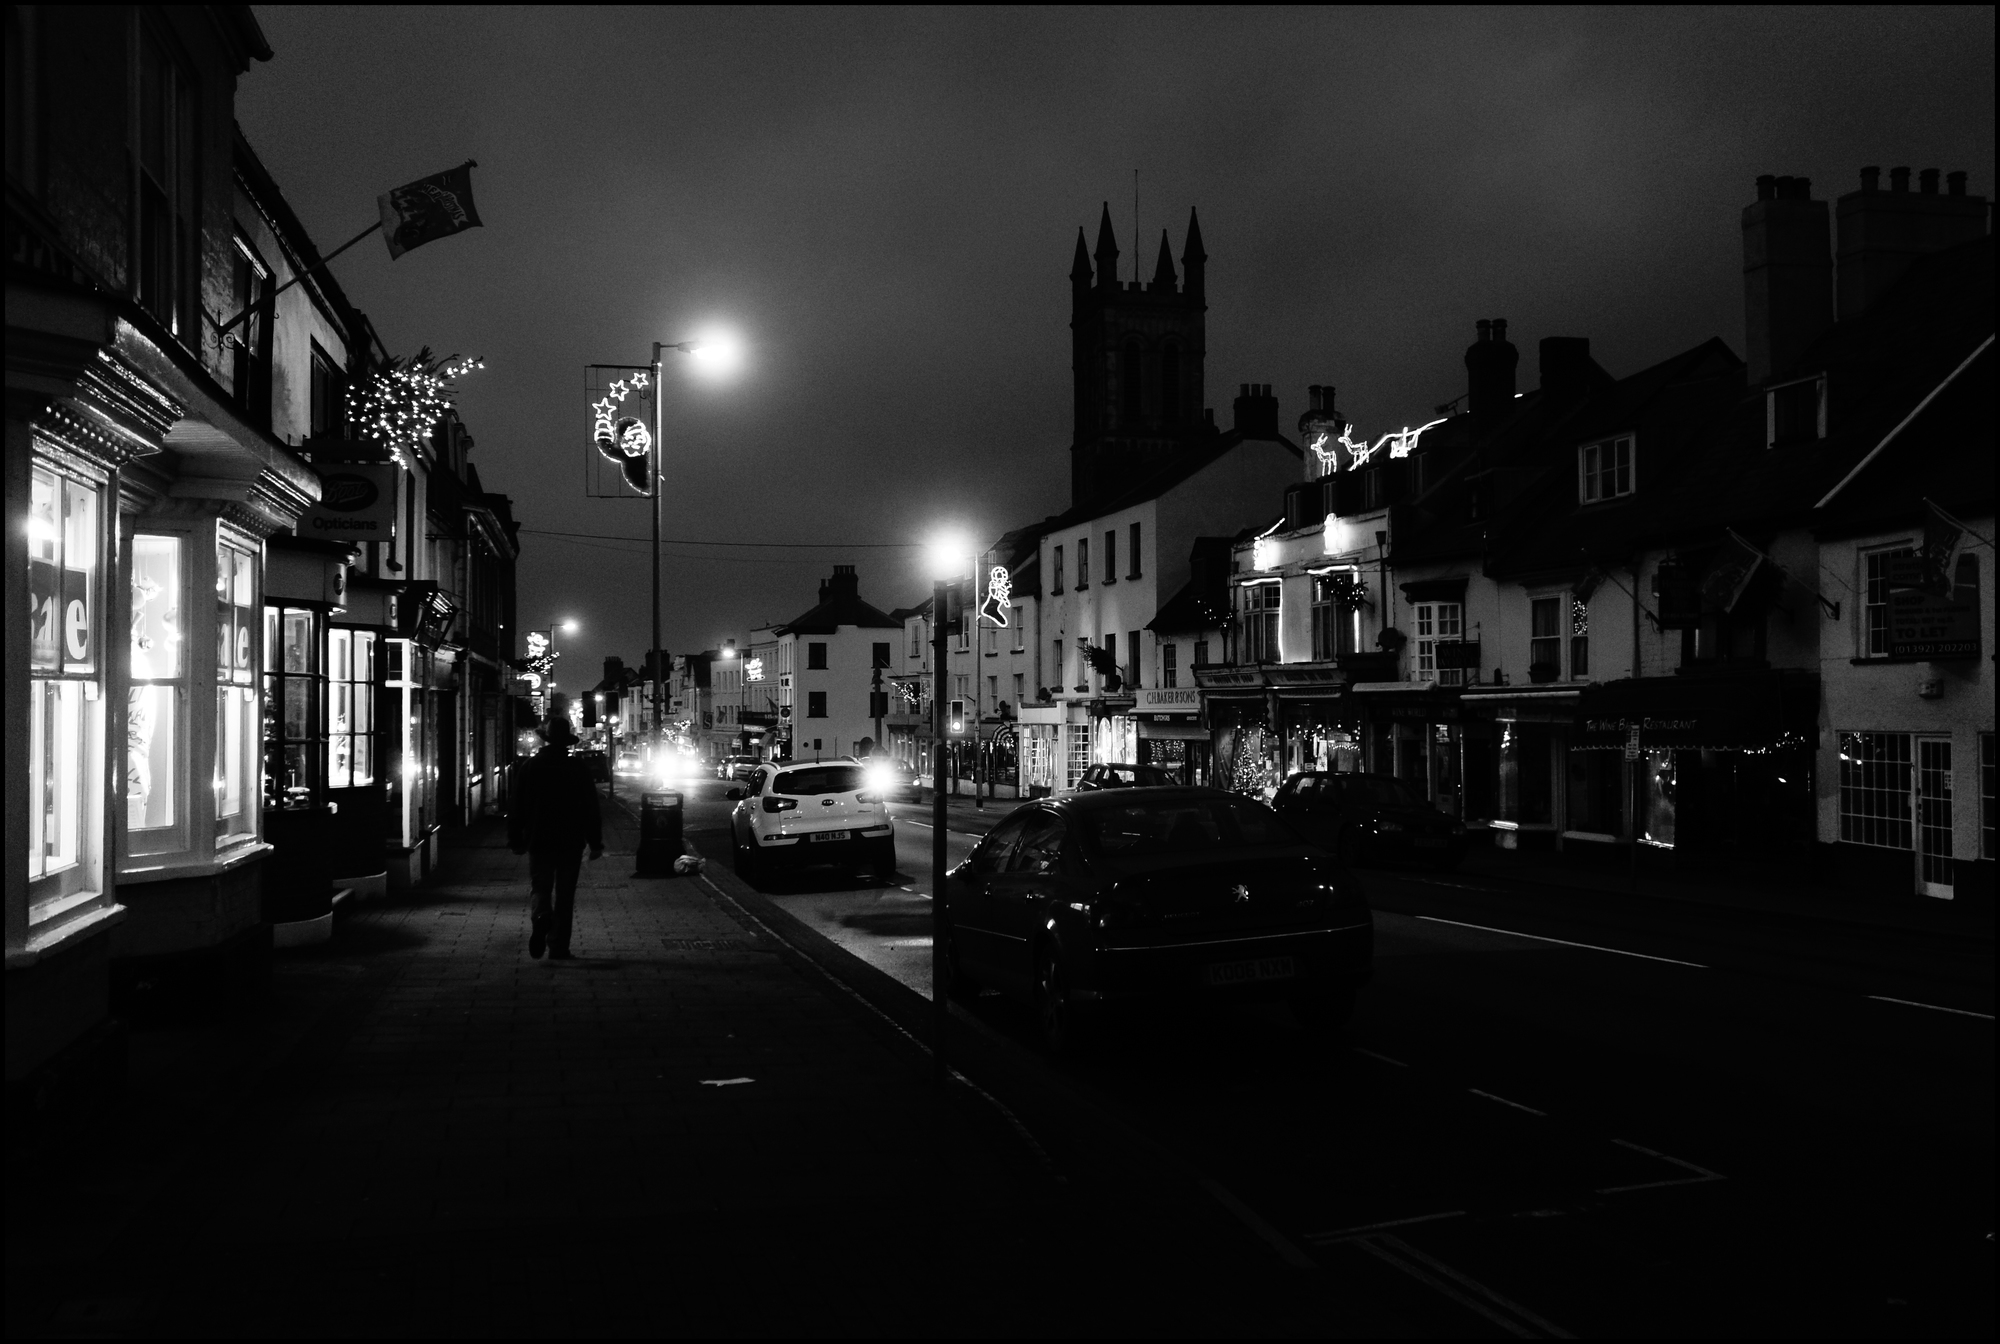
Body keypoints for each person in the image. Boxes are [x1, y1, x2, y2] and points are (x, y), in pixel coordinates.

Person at [507, 713, 603, 959]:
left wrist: (516, 839)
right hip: (570, 840)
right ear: (567, 742)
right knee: (565, 894)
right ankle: (559, 946)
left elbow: (516, 806)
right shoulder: (577, 768)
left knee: (540, 885)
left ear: (546, 739)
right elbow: (590, 807)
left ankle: (541, 915)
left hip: (539, 838)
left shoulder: (530, 767)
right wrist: (595, 842)